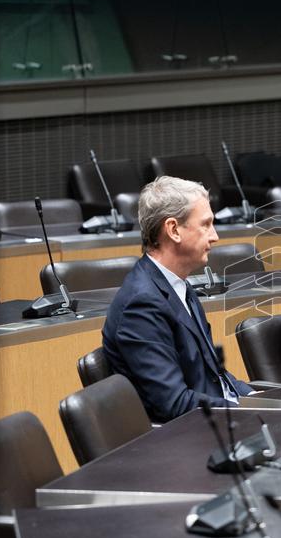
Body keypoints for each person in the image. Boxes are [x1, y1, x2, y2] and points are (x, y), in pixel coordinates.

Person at [103, 176, 252, 422]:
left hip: (215, 419)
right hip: (189, 437)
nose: (214, 236)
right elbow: (174, 403)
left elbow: (215, 375)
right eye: (205, 224)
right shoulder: (141, 304)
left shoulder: (177, 284)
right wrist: (248, 411)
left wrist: (262, 397)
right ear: (173, 230)